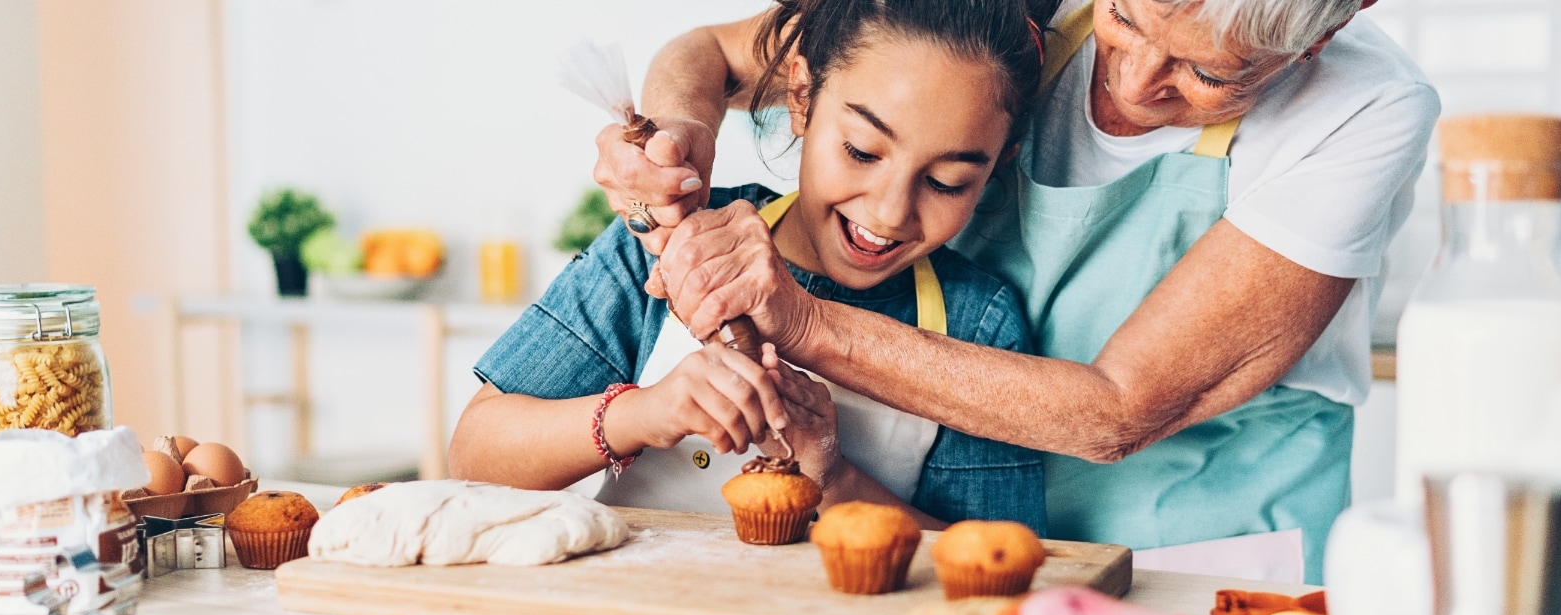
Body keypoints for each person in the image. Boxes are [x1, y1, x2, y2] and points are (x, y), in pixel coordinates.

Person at [596, 0, 1439, 583]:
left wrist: (802, 319)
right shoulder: (1017, 11)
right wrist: (679, 140)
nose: (1135, 80)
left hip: (1205, 553)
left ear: (1332, 24)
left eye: (1209, 74)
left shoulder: (1365, 110)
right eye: (1124, 17)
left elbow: (1119, 412)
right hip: (964, 536)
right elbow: (709, 54)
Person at [449, 0, 1052, 532]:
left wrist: (833, 478)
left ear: (998, 166)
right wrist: (645, 412)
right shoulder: (673, 239)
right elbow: (475, 456)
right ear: (801, 97)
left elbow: (997, 559)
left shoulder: (979, 324)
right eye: (862, 151)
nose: (891, 212)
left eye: (948, 182)